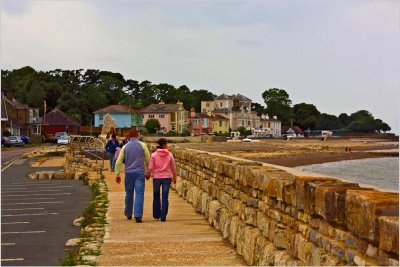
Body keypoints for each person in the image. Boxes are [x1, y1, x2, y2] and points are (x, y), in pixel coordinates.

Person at [115, 128, 150, 223]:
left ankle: (128, 213)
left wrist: (117, 174)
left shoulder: (125, 147)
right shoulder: (143, 145)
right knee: (139, 194)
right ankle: (138, 215)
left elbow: (118, 161)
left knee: (129, 194)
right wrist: (148, 173)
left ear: (129, 136)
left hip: (129, 173)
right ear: (138, 135)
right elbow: (148, 160)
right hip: (139, 173)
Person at [145, 138, 177, 222]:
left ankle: (156, 215)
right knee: (165, 196)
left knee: (156, 196)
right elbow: (173, 167)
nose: (167, 145)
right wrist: (174, 177)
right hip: (166, 178)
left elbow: (150, 167)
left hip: (156, 178)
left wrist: (148, 175)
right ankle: (163, 216)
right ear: (164, 145)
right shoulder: (170, 155)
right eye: (166, 144)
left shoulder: (154, 155)